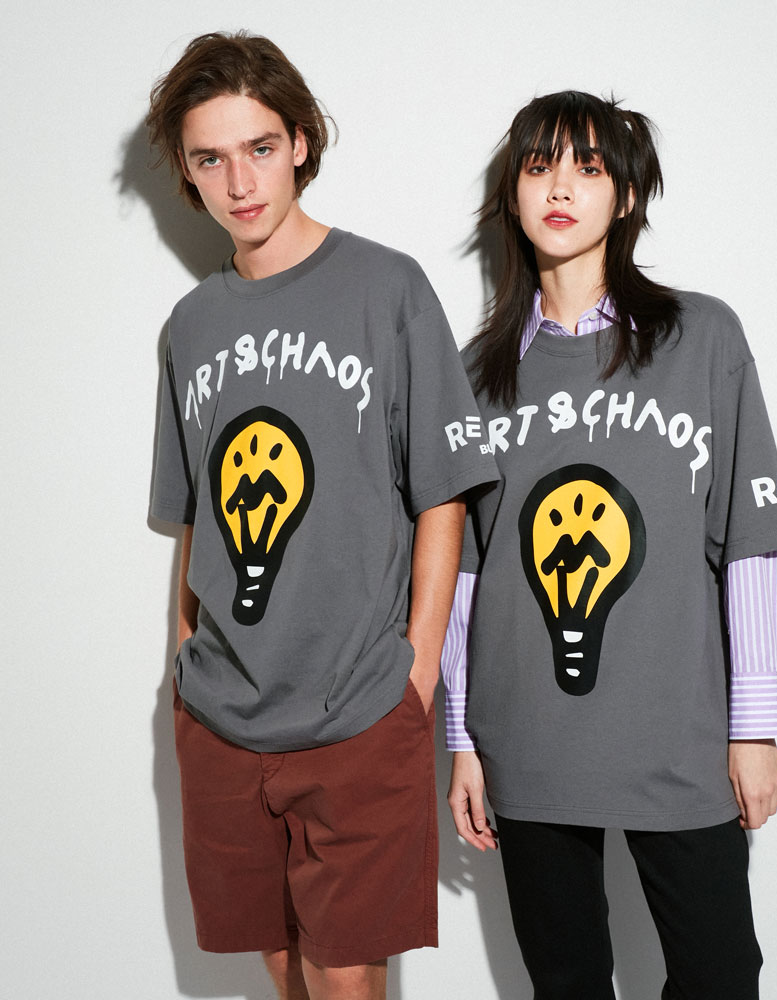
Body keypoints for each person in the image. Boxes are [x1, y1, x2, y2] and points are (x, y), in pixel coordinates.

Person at [146, 31, 497, 1000]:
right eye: (210, 158)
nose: (238, 182)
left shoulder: (387, 288)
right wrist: (183, 661)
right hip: (224, 711)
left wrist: (417, 671)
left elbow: (442, 491)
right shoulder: (192, 326)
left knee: (345, 975)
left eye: (259, 148)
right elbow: (196, 515)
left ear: (300, 142)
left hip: (359, 706)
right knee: (278, 964)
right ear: (186, 169)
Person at [443, 91, 777, 999]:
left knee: (722, 974)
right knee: (566, 982)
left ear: (628, 195)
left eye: (589, 168)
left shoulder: (702, 337)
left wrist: (753, 723)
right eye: (538, 167)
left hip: (676, 734)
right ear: (513, 195)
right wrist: (463, 738)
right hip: (527, 737)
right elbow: (466, 569)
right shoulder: (478, 375)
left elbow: (748, 535)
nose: (560, 188)